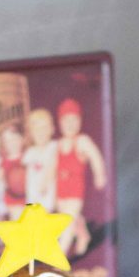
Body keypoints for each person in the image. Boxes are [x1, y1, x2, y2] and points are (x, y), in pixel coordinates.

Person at [54, 98, 108, 256]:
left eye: (74, 120)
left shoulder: (82, 141)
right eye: (66, 120)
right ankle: (84, 235)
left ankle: (59, 257)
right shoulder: (58, 144)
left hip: (75, 191)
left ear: (80, 121)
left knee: (67, 222)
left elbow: (95, 156)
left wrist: (99, 174)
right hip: (60, 191)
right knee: (71, 217)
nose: (70, 124)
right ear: (60, 123)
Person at [23, 108, 58, 213]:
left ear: (52, 129)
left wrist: (45, 182)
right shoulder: (30, 151)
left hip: (48, 196)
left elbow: (53, 165)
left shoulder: (53, 147)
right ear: (31, 133)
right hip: (32, 198)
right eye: (36, 129)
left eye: (44, 128)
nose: (40, 132)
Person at [0, 126, 27, 219]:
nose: (12, 143)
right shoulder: (2, 164)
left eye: (15, 139)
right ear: (4, 144)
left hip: (32, 201)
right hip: (13, 203)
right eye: (8, 141)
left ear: (22, 139)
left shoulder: (30, 156)